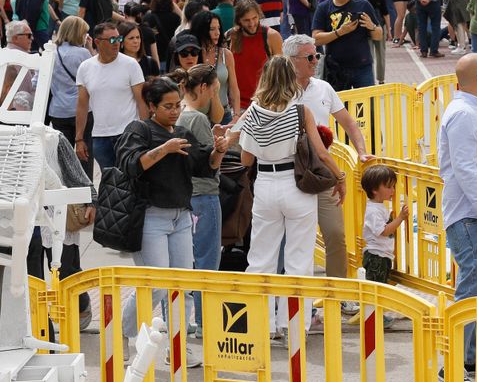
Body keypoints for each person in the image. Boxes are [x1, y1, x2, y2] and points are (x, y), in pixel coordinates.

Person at [234, 56, 344, 334]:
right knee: (299, 260)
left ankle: (261, 325)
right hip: (296, 186)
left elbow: (246, 159)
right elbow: (320, 152)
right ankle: (293, 326)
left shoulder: (254, 111)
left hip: (266, 185)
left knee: (261, 258)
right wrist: (339, 177)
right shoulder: (300, 111)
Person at [116, 76, 229, 340]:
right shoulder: (139, 130)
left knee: (182, 286)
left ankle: (177, 348)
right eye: (168, 106)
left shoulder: (181, 133)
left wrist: (219, 151)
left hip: (181, 216)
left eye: (178, 105)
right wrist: (164, 149)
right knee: (155, 286)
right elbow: (131, 165)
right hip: (150, 217)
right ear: (152, 106)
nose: (175, 111)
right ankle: (123, 332)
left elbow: (205, 167)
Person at [283, 34, 369, 287]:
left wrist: (362, 151)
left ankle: (337, 293)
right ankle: (297, 298)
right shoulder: (279, 91)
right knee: (297, 238)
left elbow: (349, 123)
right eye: (309, 56)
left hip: (322, 171)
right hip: (289, 172)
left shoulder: (323, 88)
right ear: (291, 60)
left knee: (335, 234)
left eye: (316, 55)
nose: (315, 61)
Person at [437, 54, 477, 382]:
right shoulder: (463, 114)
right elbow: (465, 167)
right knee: (471, 285)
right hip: (467, 214)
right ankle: (454, 363)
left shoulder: (469, 110)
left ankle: (468, 358)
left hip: (471, 212)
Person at [177, 65, 225, 340]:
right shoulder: (197, 118)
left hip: (187, 195)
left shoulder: (182, 113)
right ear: (204, 88)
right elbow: (210, 161)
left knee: (193, 259)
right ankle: (205, 321)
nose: (214, 97)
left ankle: (196, 320)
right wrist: (222, 144)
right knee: (207, 260)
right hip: (204, 194)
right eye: (215, 91)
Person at [75, 20, 147, 172]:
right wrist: (79, 138)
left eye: (119, 39)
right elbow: (82, 105)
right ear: (97, 42)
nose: (117, 43)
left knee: (132, 179)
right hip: (100, 136)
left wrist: (146, 133)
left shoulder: (131, 64)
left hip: (128, 135)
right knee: (110, 183)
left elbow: (142, 101)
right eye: (112, 40)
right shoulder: (85, 67)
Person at [312, 0, 380, 91]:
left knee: (367, 107)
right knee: (340, 107)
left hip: (362, 67)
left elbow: (378, 36)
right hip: (336, 68)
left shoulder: (363, 5)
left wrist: (372, 26)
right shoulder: (323, 8)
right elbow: (316, 39)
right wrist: (340, 32)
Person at [359, 163, 407, 327]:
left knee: (380, 287)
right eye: (389, 187)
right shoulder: (373, 210)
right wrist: (399, 218)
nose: (393, 190)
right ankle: (374, 319)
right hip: (376, 257)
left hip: (382, 255)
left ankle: (376, 316)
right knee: (376, 289)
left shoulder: (379, 207)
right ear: (375, 190)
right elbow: (384, 231)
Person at [229, 0, 282, 110]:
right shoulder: (232, 36)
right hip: (238, 105)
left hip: (265, 103)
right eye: (246, 20)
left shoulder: (272, 36)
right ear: (239, 20)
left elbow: (281, 74)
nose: (252, 24)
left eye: (255, 18)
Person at [47, 15, 93, 143]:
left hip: (58, 110)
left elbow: (37, 83)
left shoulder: (51, 53)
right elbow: (95, 77)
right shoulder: (83, 53)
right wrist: (90, 48)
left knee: (63, 157)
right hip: (82, 109)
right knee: (84, 153)